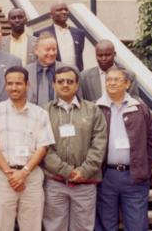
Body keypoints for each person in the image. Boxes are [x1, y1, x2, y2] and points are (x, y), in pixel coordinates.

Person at [0, 66, 54, 231]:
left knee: (32, 226)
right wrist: (10, 174)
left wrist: (23, 172)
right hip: (3, 177)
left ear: (27, 84)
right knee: (1, 226)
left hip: (31, 177)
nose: (14, 87)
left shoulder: (40, 114)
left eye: (18, 83)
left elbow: (43, 147)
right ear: (5, 85)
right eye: (10, 84)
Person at [41, 66, 107, 231]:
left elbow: (99, 143)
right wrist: (66, 171)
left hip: (85, 182)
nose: (65, 85)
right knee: (54, 227)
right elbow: (43, 146)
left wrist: (83, 171)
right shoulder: (44, 111)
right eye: (60, 81)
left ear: (77, 85)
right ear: (53, 85)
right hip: (55, 182)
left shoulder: (92, 110)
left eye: (70, 81)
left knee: (84, 227)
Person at [95, 67, 152, 231]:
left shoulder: (140, 108)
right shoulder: (96, 108)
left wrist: (145, 166)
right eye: (109, 80)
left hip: (135, 176)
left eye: (117, 79)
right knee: (106, 224)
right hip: (106, 176)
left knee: (137, 224)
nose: (112, 83)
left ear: (127, 83)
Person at [34, 3, 86, 71]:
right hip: (51, 76)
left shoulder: (79, 33)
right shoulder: (40, 34)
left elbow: (79, 57)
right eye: (59, 10)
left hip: (74, 76)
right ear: (51, 15)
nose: (64, 12)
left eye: (66, 10)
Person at [24, 33, 67, 105]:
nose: (52, 53)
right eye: (47, 50)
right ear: (36, 51)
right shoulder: (25, 72)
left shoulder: (68, 71)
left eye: (54, 49)